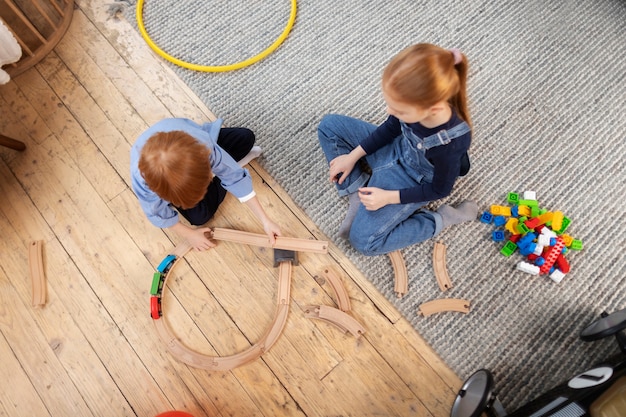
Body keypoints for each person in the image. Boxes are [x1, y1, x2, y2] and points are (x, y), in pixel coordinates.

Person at [317, 43, 478, 256]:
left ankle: (442, 218)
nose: (389, 110)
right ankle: (359, 192)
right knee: (329, 126)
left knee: (363, 242)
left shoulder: (450, 144)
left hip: (412, 180)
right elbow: (391, 127)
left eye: (398, 109)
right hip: (394, 149)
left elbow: (440, 190)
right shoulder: (414, 105)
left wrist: (387, 197)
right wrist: (352, 156)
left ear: (433, 109)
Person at [131, 118, 281, 251]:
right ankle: (226, 168)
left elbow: (233, 176)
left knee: (245, 138)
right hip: (187, 164)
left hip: (201, 145)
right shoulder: (143, 184)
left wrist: (265, 220)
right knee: (200, 217)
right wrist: (189, 234)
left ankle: (223, 169)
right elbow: (156, 212)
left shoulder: (203, 147)